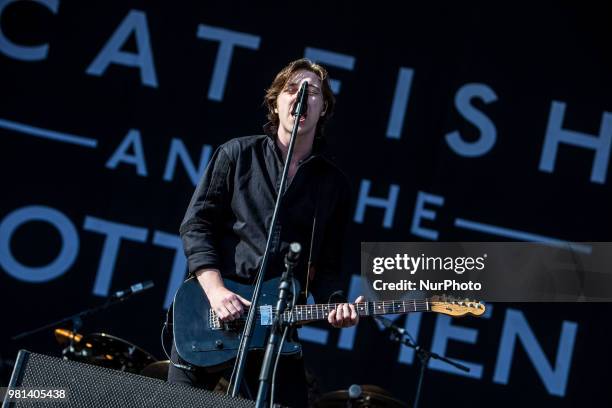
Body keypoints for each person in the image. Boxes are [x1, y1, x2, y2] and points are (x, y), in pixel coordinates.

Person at [168, 58, 363, 407]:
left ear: (324, 109)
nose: (301, 96)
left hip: (276, 326)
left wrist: (335, 304)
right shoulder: (237, 154)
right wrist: (215, 291)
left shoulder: (333, 186)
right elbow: (196, 225)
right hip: (208, 313)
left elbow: (327, 267)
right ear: (275, 102)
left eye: (313, 92)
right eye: (291, 89)